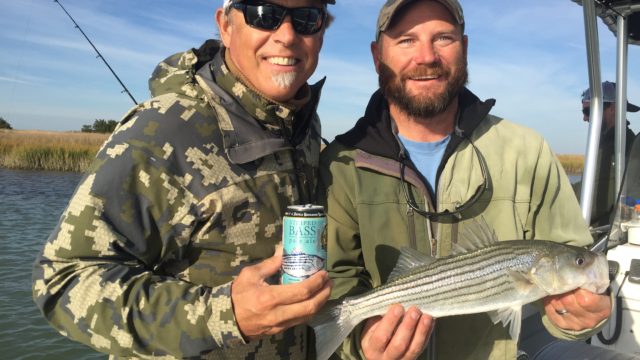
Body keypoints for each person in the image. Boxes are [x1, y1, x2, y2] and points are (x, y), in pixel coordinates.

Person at [32, 0, 336, 358]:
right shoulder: (162, 128)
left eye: (306, 18)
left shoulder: (304, 127)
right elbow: (63, 280)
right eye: (263, 14)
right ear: (225, 25)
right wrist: (225, 315)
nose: (286, 35)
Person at [318, 0, 612, 359]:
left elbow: (573, 265)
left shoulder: (527, 150)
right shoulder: (342, 162)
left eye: (443, 37)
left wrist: (581, 315)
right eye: (406, 40)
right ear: (378, 55)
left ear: (466, 48)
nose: (426, 56)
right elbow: (335, 278)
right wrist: (359, 345)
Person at [579, 81, 638, 226]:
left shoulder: (622, 148)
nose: (585, 118)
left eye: (588, 111)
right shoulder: (603, 144)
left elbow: (597, 197)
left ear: (612, 108)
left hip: (606, 236)